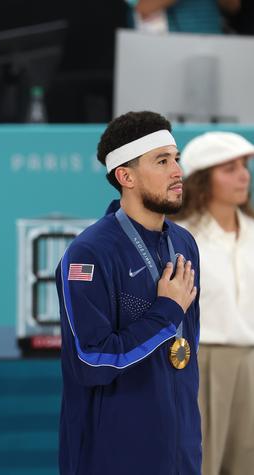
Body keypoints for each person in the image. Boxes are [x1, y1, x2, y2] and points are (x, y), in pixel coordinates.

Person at [56, 110, 201, 474]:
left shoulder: (184, 243)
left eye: (177, 159)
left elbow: (186, 348)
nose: (177, 171)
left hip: (180, 447)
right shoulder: (89, 254)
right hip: (114, 453)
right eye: (162, 161)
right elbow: (92, 361)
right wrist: (166, 313)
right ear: (126, 176)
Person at [174, 131, 254, 475]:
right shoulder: (179, 236)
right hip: (198, 361)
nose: (243, 176)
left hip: (249, 363)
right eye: (229, 168)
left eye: (245, 166)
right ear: (202, 180)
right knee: (200, 461)